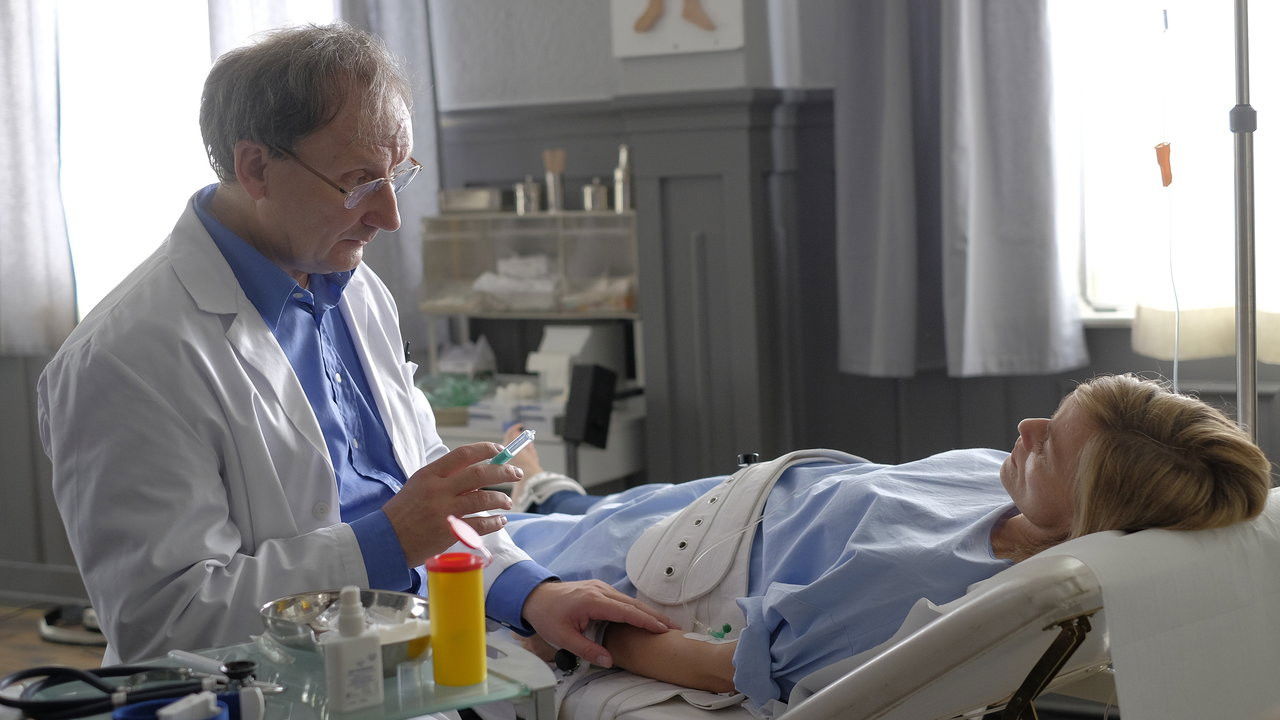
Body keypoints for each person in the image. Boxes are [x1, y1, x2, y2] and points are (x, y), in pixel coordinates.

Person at [36, 23, 670, 665]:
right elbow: (164, 624)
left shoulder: (352, 286)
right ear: (256, 167)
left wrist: (529, 593)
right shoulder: (124, 358)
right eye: (360, 181)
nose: (390, 216)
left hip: (418, 646)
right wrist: (387, 543)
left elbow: (422, 480)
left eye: (399, 175)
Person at [496, 374, 1272, 711]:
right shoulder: (1008, 491)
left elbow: (714, 666)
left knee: (479, 538)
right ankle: (552, 493)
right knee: (574, 507)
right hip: (720, 501)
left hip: (681, 558)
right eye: (1050, 414)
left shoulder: (911, 593)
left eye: (1049, 449)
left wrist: (578, 627)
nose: (1026, 428)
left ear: (1092, 514)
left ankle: (542, 498)